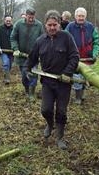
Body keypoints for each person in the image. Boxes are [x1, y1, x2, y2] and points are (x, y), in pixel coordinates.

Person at [27, 10, 79, 150]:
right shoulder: (40, 41)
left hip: (64, 83)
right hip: (47, 82)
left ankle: (60, 137)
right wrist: (27, 70)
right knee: (45, 110)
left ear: (59, 24)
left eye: (55, 24)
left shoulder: (66, 37)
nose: (52, 27)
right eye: (49, 25)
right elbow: (32, 58)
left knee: (61, 112)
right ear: (45, 25)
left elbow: (75, 56)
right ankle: (50, 124)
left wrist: (68, 73)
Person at [65, 7, 99, 104]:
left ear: (85, 16)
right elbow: (65, 41)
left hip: (88, 57)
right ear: (75, 16)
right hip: (75, 57)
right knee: (77, 77)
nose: (81, 18)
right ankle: (78, 98)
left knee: (85, 76)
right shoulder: (70, 27)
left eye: (82, 16)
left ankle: (82, 93)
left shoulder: (91, 27)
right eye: (79, 16)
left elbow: (96, 42)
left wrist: (95, 53)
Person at [10, 7, 44, 101]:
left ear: (34, 16)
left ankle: (32, 93)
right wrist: (15, 49)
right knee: (25, 75)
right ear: (26, 15)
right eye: (29, 17)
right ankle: (26, 88)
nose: (31, 19)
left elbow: (42, 40)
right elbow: (13, 37)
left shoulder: (39, 25)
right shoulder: (18, 24)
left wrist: (41, 52)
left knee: (33, 73)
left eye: (32, 17)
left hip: (34, 56)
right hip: (21, 55)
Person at [0, 14, 14, 84]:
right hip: (3, 50)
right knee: (6, 63)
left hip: (12, 51)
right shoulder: (0, 28)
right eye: (7, 21)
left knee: (9, 65)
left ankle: (6, 74)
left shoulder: (14, 28)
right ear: (4, 20)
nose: (8, 22)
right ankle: (7, 79)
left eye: (9, 21)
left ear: (11, 21)